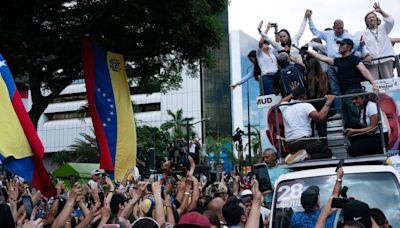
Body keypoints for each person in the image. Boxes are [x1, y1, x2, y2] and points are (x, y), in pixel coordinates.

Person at [307, 38, 378, 128]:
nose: (339, 47)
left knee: (354, 119)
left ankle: (360, 137)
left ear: (348, 47)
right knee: (347, 121)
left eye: (341, 45)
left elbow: (364, 71)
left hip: (354, 92)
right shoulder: (338, 61)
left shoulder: (353, 58)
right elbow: (324, 58)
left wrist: (374, 84)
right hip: (344, 94)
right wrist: (309, 52)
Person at [306, 10, 363, 106]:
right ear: (333, 28)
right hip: (331, 64)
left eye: (342, 28)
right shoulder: (328, 34)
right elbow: (315, 31)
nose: (340, 30)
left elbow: (356, 47)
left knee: (346, 88)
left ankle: (350, 109)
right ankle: (339, 110)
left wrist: (361, 45)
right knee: (335, 89)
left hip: (344, 64)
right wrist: (309, 18)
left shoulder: (348, 36)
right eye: (338, 28)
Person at [279, 87, 335, 164]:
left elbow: (281, 101)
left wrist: (294, 93)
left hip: (290, 145)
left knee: (314, 148)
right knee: (326, 151)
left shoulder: (286, 107)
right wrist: (328, 102)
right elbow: (319, 118)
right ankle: (305, 156)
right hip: (304, 142)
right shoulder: (306, 105)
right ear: (303, 96)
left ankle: (294, 156)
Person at [344, 91, 389, 156]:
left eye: (356, 98)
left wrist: (354, 131)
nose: (354, 101)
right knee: (349, 125)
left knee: (351, 150)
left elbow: (373, 128)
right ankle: (358, 146)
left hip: (379, 137)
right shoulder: (361, 108)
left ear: (363, 98)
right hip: (370, 135)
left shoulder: (371, 106)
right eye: (352, 99)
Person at [361, 2, 395, 79]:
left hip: (386, 58)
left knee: (389, 80)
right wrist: (366, 55)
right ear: (366, 22)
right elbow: (363, 46)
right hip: (372, 61)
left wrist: (381, 11)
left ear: (377, 19)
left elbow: (391, 21)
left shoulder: (384, 28)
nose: (371, 19)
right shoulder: (363, 33)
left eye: (373, 17)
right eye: (369, 18)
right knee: (374, 82)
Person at [305, 57, 333, 140]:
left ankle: (314, 147)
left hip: (311, 105)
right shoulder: (324, 76)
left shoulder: (307, 78)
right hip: (323, 104)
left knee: (310, 128)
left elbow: (307, 93)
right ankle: (324, 146)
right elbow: (329, 90)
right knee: (322, 129)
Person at [255, 22, 279, 95]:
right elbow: (261, 41)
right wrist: (267, 29)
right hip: (267, 77)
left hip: (276, 76)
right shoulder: (260, 53)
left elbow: (276, 43)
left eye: (267, 43)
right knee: (270, 96)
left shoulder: (271, 52)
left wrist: (276, 29)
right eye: (265, 43)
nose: (266, 44)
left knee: (278, 96)